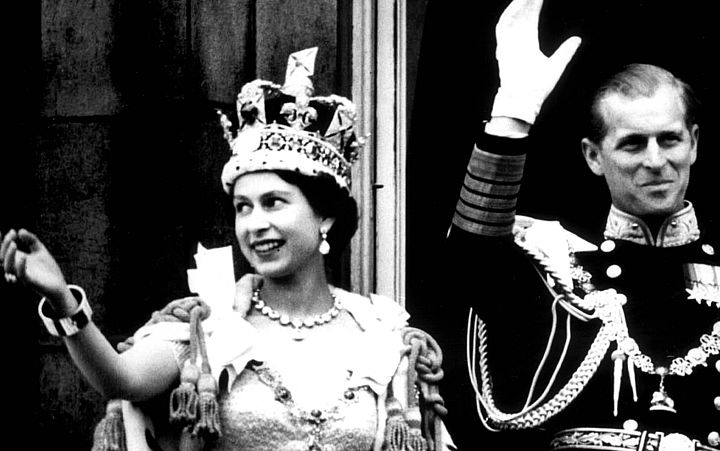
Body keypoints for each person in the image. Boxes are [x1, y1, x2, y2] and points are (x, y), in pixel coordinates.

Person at [2, 47, 452, 451]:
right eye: (243, 207)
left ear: (324, 217)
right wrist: (63, 300)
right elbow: (120, 379)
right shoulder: (210, 326)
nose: (256, 224)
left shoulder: (380, 331)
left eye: (274, 203)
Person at [440, 0, 720, 449]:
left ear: (694, 144)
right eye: (632, 144)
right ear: (594, 156)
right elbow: (469, 267)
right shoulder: (562, 274)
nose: (655, 161)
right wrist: (511, 116)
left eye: (668, 139)